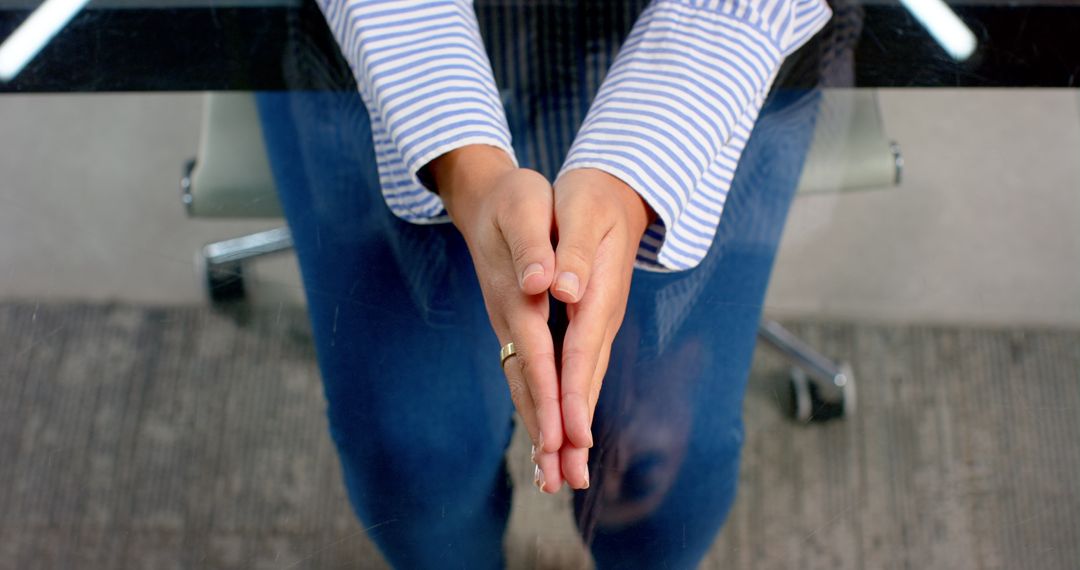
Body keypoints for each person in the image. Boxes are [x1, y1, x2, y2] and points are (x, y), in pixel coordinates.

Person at [256, 0, 832, 566]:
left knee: (667, 470)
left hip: (706, 46)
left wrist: (634, 181)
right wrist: (465, 169)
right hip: (391, 39)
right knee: (415, 455)